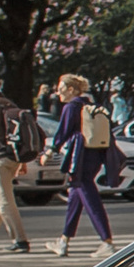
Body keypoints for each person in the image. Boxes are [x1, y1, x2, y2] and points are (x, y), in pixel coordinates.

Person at [47, 74, 113, 256]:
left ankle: (106, 240)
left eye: (60, 88)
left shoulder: (71, 107)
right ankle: (63, 241)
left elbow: (63, 132)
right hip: (94, 156)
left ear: (71, 90)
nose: (57, 92)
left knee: (90, 198)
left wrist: (50, 151)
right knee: (75, 196)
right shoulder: (90, 105)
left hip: (80, 157)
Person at [0, 83, 27, 252]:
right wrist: (23, 162)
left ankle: (20, 240)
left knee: (4, 201)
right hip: (14, 157)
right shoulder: (9, 104)